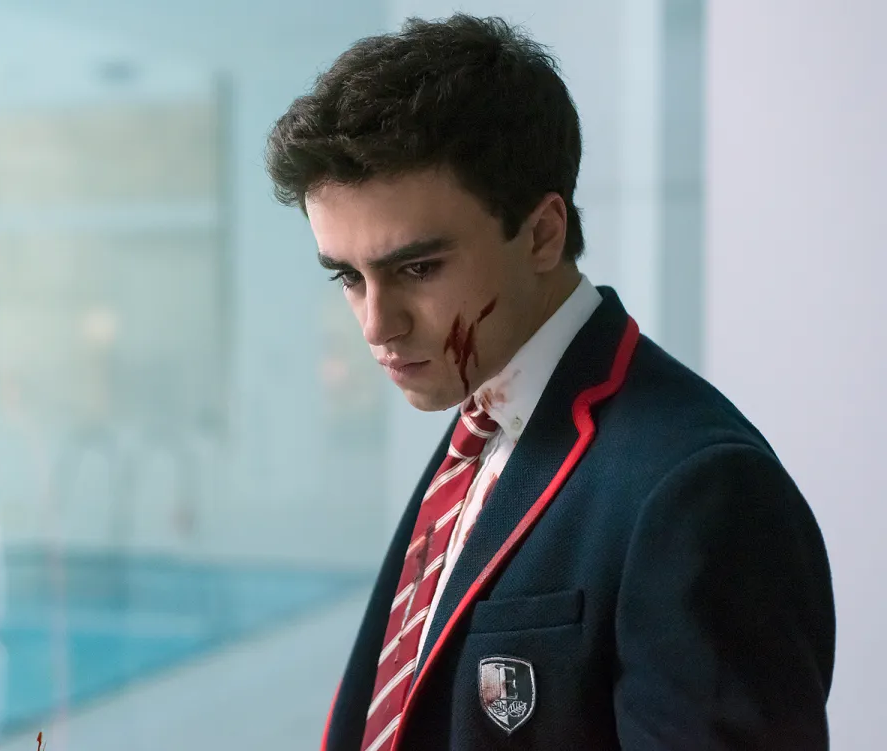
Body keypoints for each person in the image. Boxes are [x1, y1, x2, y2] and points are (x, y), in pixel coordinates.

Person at [264, 14, 835, 751]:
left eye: (418, 268)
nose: (377, 324)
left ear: (541, 233)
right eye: (347, 277)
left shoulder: (700, 490)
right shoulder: (485, 414)